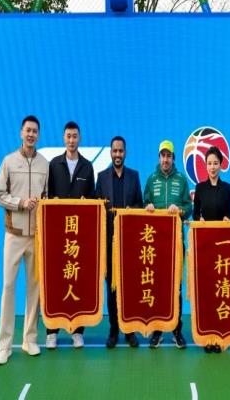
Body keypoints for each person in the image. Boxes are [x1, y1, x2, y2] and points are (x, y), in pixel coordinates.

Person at [0, 115, 49, 365]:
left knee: (34, 289)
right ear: (20, 133)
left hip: (36, 236)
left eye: (35, 131)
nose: (31, 135)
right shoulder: (8, 161)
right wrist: (20, 203)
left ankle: (30, 339)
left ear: (38, 135)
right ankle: (4, 346)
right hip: (13, 235)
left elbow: (47, 197)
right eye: (28, 130)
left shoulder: (44, 164)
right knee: (8, 287)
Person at [45, 121, 95, 349]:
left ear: (79, 138)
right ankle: (52, 331)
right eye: (68, 136)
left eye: (75, 136)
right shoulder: (54, 164)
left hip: (79, 236)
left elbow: (93, 198)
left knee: (78, 279)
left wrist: (87, 201)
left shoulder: (87, 166)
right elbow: (48, 196)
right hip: (58, 235)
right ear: (63, 138)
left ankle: (77, 331)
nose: (72, 140)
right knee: (56, 280)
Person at [96, 136, 143, 348]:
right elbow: (97, 210)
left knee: (129, 287)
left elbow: (140, 205)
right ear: (110, 152)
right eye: (115, 151)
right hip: (108, 243)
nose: (117, 154)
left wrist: (133, 210)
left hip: (129, 243)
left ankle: (129, 330)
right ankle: (114, 330)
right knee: (112, 289)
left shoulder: (134, 176)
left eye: (121, 151)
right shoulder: (101, 177)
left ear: (125, 152)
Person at [144, 140, 192, 349]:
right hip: (154, 244)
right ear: (159, 157)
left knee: (175, 288)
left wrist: (179, 210)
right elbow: (143, 203)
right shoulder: (151, 179)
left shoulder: (181, 180)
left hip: (175, 244)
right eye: (162, 155)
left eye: (169, 156)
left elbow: (189, 208)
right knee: (157, 286)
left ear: (173, 158)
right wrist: (148, 206)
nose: (165, 159)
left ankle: (176, 330)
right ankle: (157, 330)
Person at [192, 145, 230, 353]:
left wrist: (227, 219)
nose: (212, 167)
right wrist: (199, 220)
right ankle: (207, 337)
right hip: (205, 247)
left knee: (220, 292)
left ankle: (219, 336)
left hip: (223, 248)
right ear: (205, 165)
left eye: (216, 163)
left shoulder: (227, 188)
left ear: (221, 165)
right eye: (209, 163)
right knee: (207, 292)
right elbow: (195, 214)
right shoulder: (199, 188)